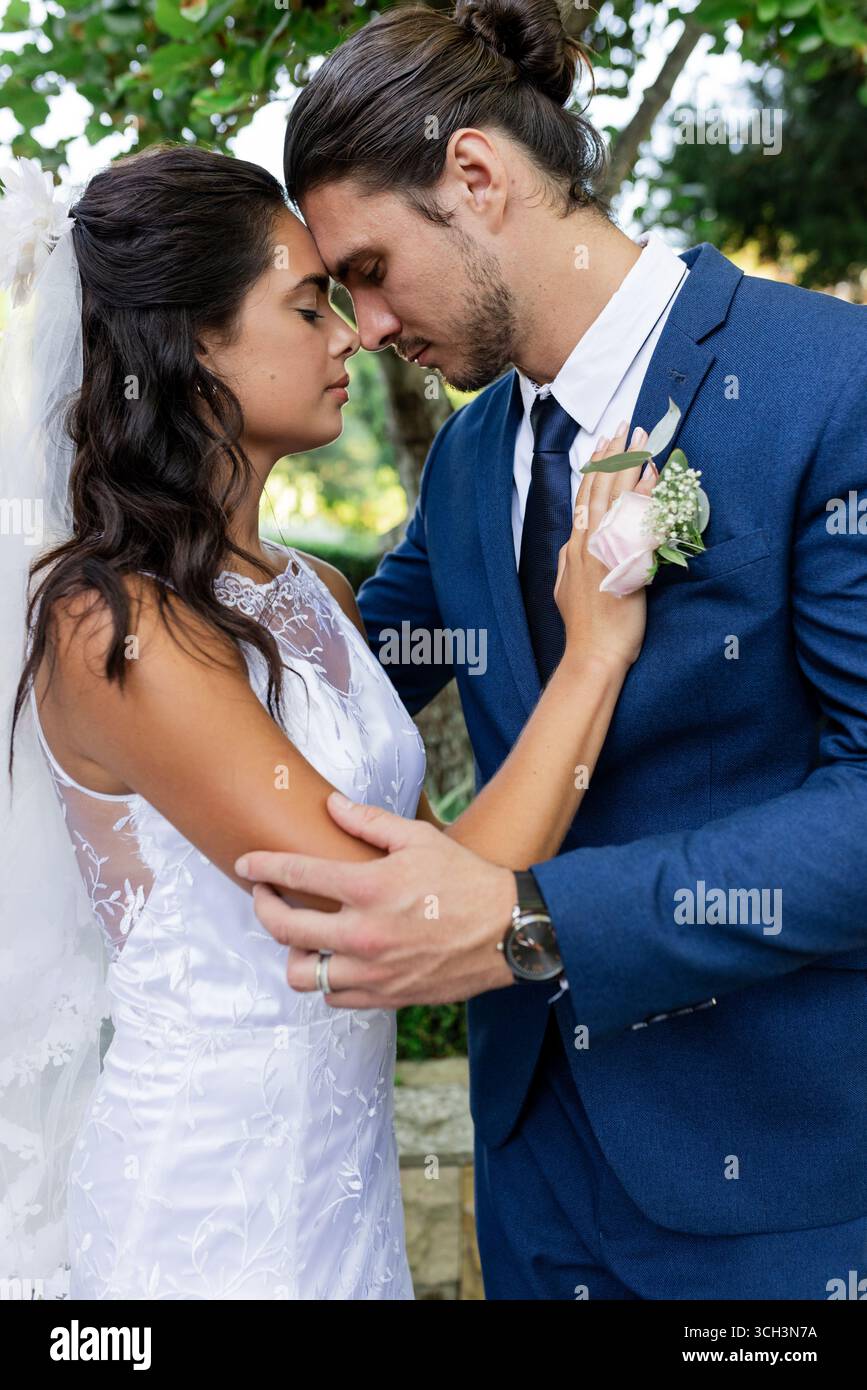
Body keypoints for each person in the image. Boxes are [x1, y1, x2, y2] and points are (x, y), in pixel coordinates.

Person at [239, 0, 867, 1299]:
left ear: (473, 178)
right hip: (529, 1166)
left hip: (773, 1184)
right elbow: (349, 652)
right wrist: (147, 549)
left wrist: (535, 921)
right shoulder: (473, 452)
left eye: (363, 271)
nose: (360, 329)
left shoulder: (826, 383)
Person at [0, 142, 651, 1298]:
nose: (354, 333)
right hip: (206, 1214)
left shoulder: (319, 594)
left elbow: (435, 827)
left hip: (343, 1192)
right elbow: (392, 915)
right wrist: (593, 655)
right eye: (309, 305)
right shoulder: (112, 624)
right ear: (195, 346)